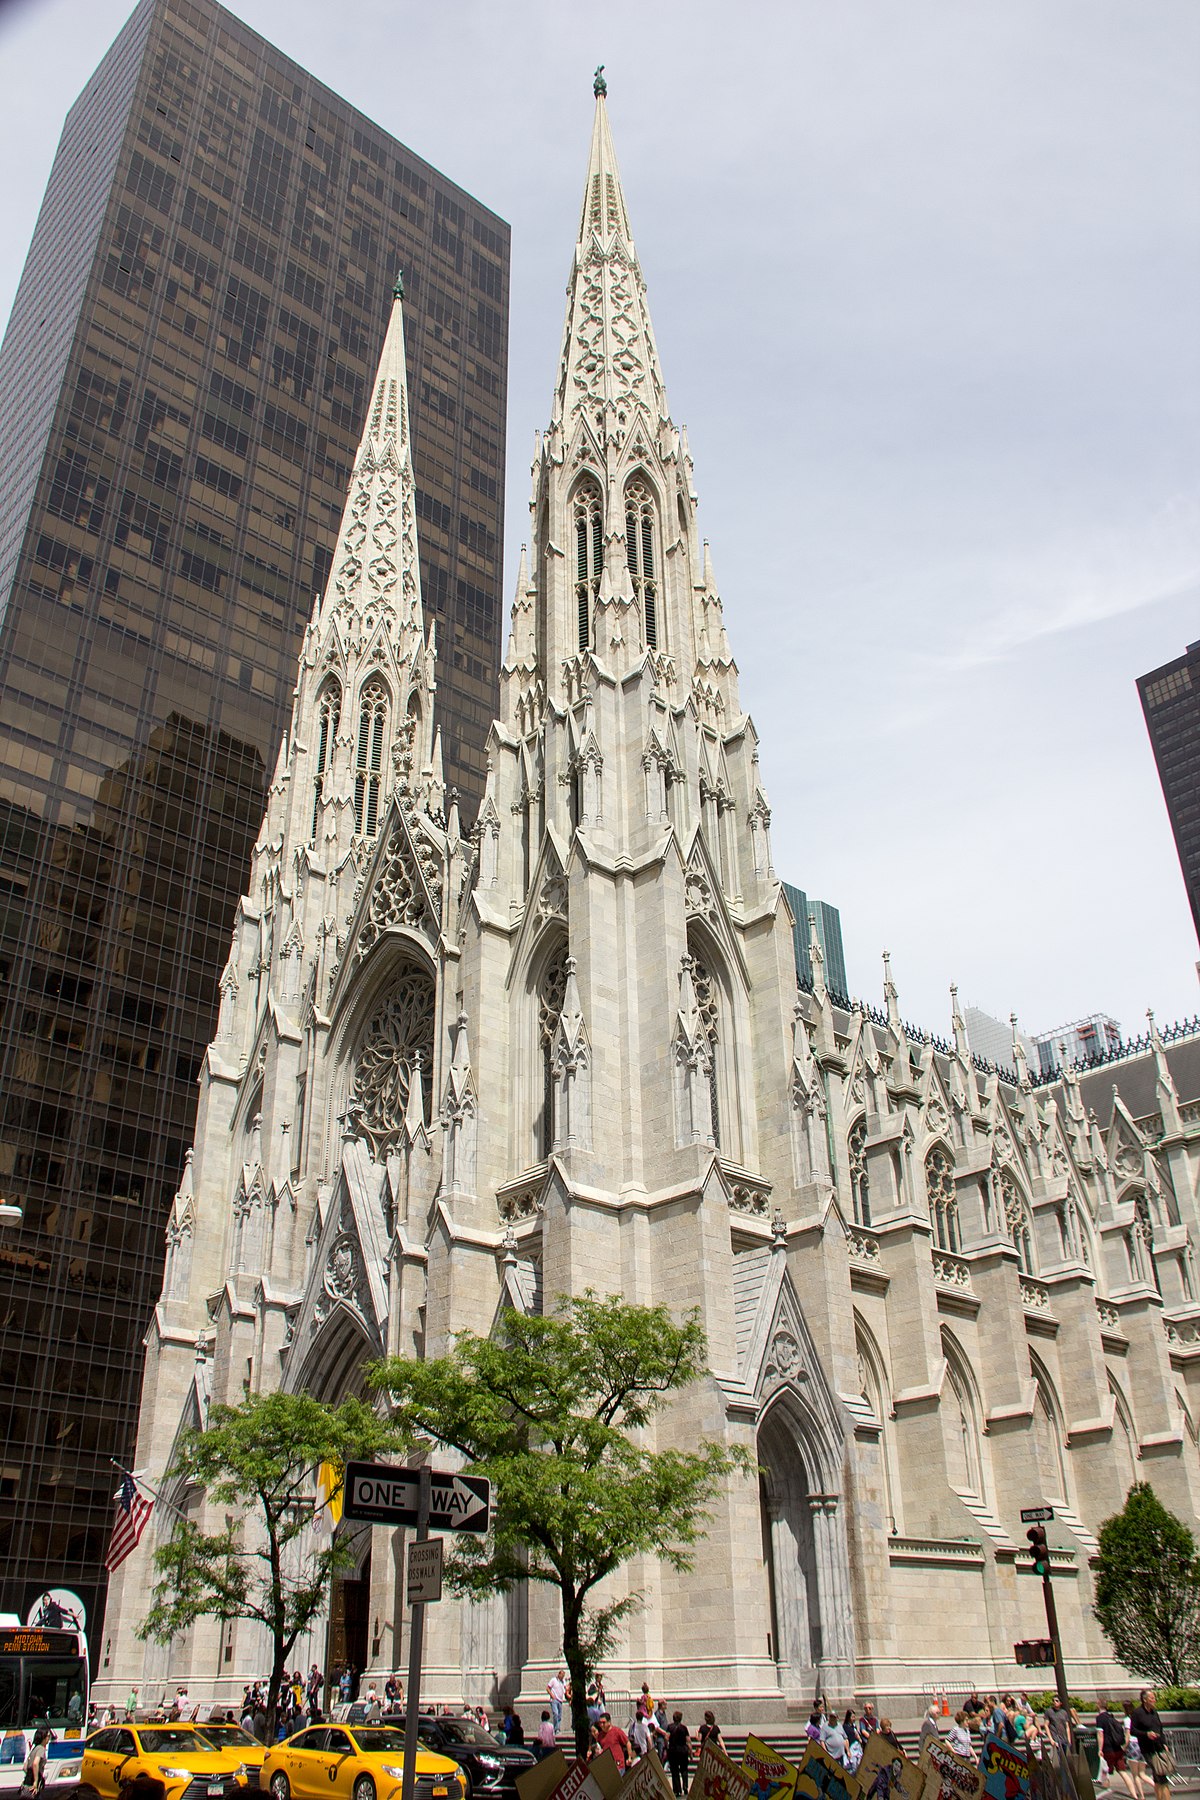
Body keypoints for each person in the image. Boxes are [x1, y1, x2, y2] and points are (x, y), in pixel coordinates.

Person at [1130, 1690, 1171, 1800]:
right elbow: (1132, 1730)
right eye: (1151, 1698)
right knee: (1161, 1775)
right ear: (1144, 1700)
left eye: (1154, 1698)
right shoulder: (1137, 1713)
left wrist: (1164, 1743)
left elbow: (1160, 1729)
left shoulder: (1154, 1712)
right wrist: (1146, 1734)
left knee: (1159, 1776)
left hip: (1159, 1747)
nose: (1154, 1700)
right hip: (1148, 1749)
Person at [1098, 1699, 1139, 1800]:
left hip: (1108, 1749)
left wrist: (1100, 1749)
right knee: (1123, 1772)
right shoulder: (1111, 1717)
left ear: (1098, 1706)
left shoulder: (1100, 1718)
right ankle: (1134, 1796)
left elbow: (1100, 1735)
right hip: (1118, 1749)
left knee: (1105, 1773)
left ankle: (1104, 1796)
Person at [667, 1713, 691, 1798]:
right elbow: (688, 1741)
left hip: (673, 1751)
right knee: (684, 1770)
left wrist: (667, 1747)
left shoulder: (670, 1727)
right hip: (683, 1751)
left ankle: (677, 1790)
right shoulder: (684, 1728)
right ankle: (685, 1787)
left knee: (675, 1771)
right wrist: (690, 1752)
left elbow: (666, 1738)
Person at [23, 1727, 50, 1797]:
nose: (49, 1738)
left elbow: (25, 1767)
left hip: (26, 1784)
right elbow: (35, 1763)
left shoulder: (34, 1748)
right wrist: (35, 1781)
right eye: (48, 1736)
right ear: (43, 1737)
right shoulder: (41, 1749)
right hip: (32, 1786)